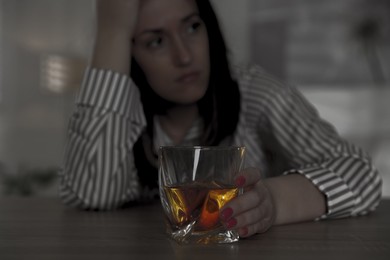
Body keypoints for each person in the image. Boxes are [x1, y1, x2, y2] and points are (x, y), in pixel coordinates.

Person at [59, 0, 382, 238]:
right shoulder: (118, 108)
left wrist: (273, 202)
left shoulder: (257, 92)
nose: (184, 56)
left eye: (192, 27)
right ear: (128, 55)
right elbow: (94, 194)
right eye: (156, 41)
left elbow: (361, 175)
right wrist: (112, 29)